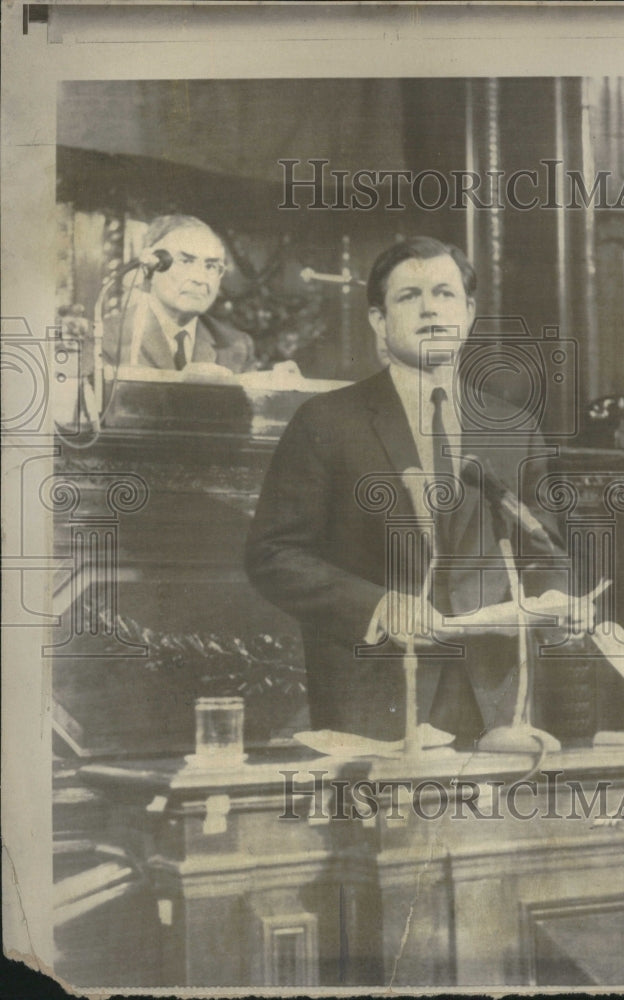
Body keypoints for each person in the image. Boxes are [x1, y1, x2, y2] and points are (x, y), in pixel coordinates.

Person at [246, 236, 579, 746]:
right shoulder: (327, 421)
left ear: (467, 313)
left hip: (495, 702)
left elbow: (544, 548)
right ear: (378, 321)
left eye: (444, 294)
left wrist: (557, 600)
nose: (430, 309)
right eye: (409, 297)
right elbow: (273, 555)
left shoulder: (515, 427)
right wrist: (378, 606)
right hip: (378, 695)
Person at [103, 214, 255, 373]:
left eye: (211, 266)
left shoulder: (236, 346)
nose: (200, 278)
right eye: (186, 262)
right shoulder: (107, 338)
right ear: (152, 265)